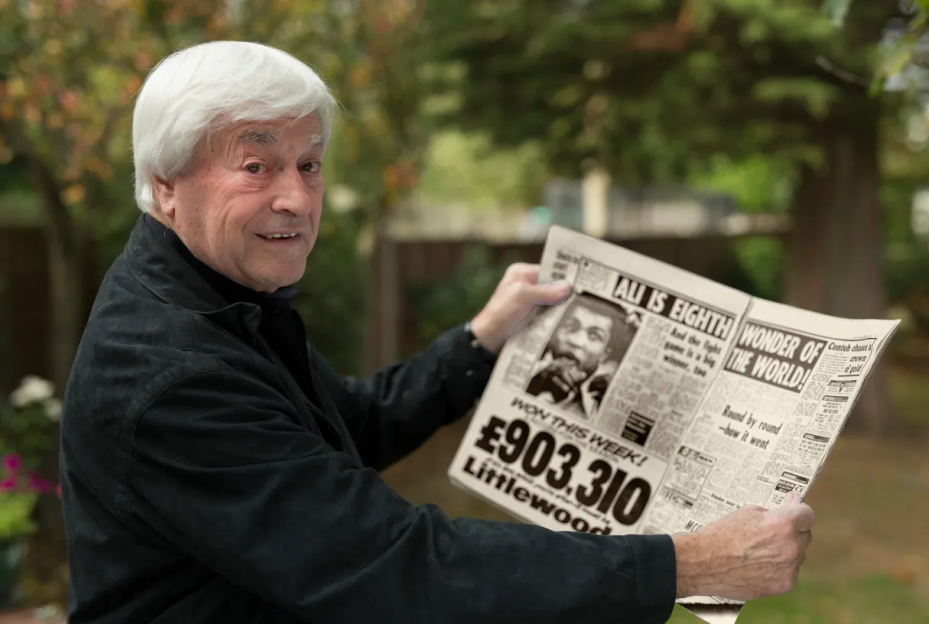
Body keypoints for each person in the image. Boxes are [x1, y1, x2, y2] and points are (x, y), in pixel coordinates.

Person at [59, 41, 815, 624]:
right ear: (165, 184)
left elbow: (346, 425)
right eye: (256, 165)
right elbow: (394, 567)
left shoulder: (217, 296)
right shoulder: (172, 369)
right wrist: (685, 566)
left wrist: (480, 341)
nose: (296, 197)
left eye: (311, 164)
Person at [526, 292, 637, 418]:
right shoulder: (531, 370)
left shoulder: (598, 407)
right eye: (571, 326)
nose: (576, 341)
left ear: (604, 354)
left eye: (594, 336)